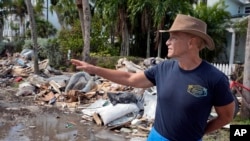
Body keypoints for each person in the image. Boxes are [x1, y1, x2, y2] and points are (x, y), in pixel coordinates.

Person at [71, 14, 235, 141]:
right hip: (156, 137)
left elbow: (226, 116)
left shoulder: (215, 78)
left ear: (191, 42)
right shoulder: (163, 69)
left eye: (173, 37)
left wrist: (200, 131)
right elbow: (129, 78)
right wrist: (94, 69)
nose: (167, 42)